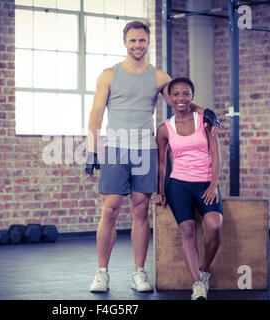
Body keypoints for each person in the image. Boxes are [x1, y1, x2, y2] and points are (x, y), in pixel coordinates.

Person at [84, 21, 216, 293]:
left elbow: (180, 100)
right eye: (132, 41)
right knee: (109, 210)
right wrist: (92, 150)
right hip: (116, 149)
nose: (137, 45)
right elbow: (96, 113)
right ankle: (101, 272)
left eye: (142, 41)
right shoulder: (108, 75)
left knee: (141, 210)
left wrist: (205, 111)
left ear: (147, 43)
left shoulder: (158, 77)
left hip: (145, 149)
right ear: (125, 43)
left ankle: (138, 272)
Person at [154, 77, 223, 300]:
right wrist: (160, 191)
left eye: (186, 94)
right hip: (179, 185)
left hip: (205, 183)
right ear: (170, 99)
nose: (181, 98)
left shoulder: (206, 121)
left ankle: (204, 270)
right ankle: (197, 285)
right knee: (187, 231)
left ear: (192, 96)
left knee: (215, 225)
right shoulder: (164, 129)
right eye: (176, 94)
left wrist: (214, 184)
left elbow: (215, 154)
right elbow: (163, 163)